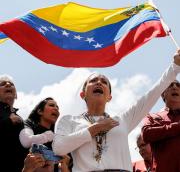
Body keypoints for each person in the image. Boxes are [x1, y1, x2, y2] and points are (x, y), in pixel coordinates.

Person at [52, 50, 180, 172]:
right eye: (93, 81)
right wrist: (94, 129)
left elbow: (153, 93)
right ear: (82, 94)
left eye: (104, 82)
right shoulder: (68, 121)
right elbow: (59, 148)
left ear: (109, 97)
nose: (99, 83)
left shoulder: (122, 120)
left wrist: (175, 66)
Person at [19, 97, 72, 172]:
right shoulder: (28, 124)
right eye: (51, 105)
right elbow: (26, 141)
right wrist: (48, 136)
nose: (56, 109)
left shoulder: (59, 140)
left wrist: (65, 168)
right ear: (40, 111)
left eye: (57, 107)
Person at [142, 79, 180, 172]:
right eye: (170, 85)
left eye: (178, 85)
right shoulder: (152, 117)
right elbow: (146, 134)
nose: (175, 87)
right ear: (163, 94)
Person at [0, 75, 27, 172]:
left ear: (16, 94)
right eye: (2, 84)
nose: (8, 84)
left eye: (11, 84)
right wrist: (8, 122)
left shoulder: (19, 118)